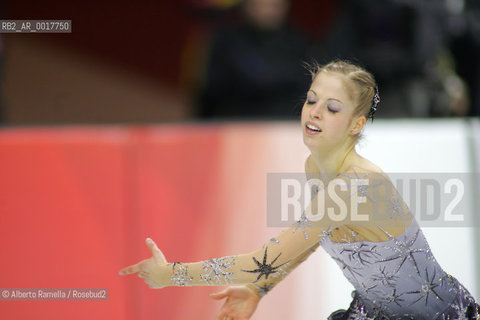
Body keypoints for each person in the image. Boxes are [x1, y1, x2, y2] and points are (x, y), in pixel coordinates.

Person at [119, 60, 479, 319]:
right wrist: (259, 289)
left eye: (332, 107)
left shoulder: (356, 185)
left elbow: (263, 261)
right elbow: (313, 237)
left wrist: (171, 275)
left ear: (357, 124)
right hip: (375, 312)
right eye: (311, 100)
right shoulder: (316, 168)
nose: (316, 112)